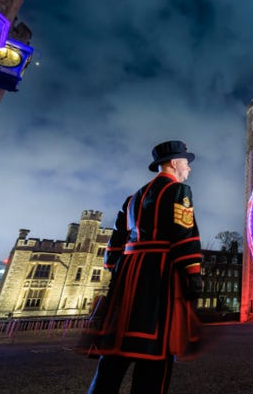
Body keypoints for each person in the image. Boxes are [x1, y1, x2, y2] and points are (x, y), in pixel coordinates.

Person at [86, 140, 204, 394]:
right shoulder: (179, 191)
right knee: (156, 349)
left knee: (116, 348)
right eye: (186, 162)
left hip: (128, 276)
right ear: (174, 163)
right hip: (159, 274)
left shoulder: (132, 198)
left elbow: (116, 241)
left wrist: (117, 270)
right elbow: (184, 234)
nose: (189, 169)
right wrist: (192, 272)